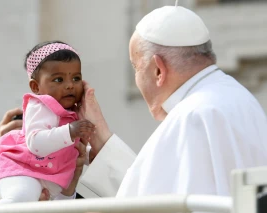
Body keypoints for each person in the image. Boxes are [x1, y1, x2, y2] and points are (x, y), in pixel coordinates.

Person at [79, 5, 267, 197]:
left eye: (136, 67)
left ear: (158, 71)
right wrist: (101, 139)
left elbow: (154, 206)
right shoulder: (238, 97)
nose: (137, 78)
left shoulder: (192, 117)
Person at [0, 41, 95, 204]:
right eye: (59, 80)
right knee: (22, 198)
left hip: (44, 180)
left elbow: (75, 150)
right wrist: (70, 131)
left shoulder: (70, 116)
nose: (69, 85)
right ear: (36, 87)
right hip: (22, 172)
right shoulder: (40, 107)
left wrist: (94, 155)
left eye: (76, 78)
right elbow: (36, 143)